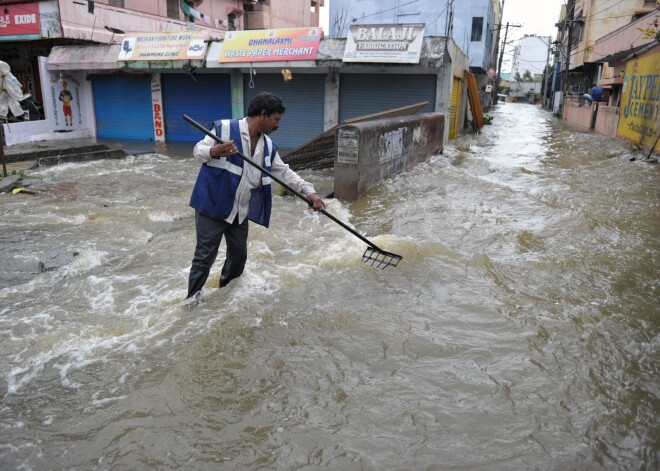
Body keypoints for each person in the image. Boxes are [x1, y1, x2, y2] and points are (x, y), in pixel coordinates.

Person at [185, 92, 325, 300]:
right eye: (276, 120)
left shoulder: (267, 146)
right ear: (263, 114)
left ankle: (224, 296)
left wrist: (310, 192)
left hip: (239, 210)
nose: (278, 125)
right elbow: (198, 151)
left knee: (238, 257)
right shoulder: (224, 129)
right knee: (205, 257)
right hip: (212, 206)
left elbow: (283, 171)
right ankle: (191, 300)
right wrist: (215, 151)